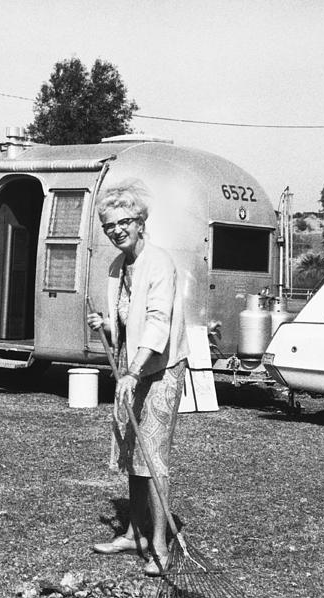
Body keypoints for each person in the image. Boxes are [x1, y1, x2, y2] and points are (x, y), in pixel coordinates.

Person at [86, 180, 189, 576]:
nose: (117, 231)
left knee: (153, 455)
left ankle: (160, 545)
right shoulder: (117, 267)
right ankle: (134, 533)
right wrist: (105, 324)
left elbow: (159, 324)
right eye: (109, 225)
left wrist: (134, 371)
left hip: (160, 368)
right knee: (130, 451)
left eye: (124, 222)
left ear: (141, 222)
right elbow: (124, 323)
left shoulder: (159, 261)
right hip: (131, 366)